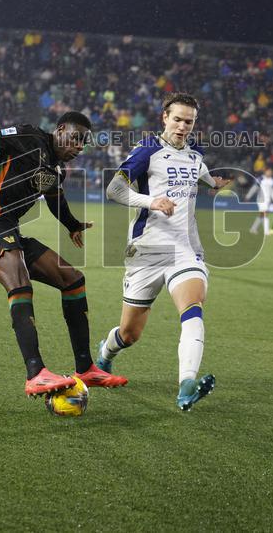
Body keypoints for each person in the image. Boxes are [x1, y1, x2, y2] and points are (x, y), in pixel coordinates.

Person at [0, 112, 127, 397]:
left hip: (9, 229)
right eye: (76, 138)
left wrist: (72, 225)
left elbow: (56, 201)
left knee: (72, 279)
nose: (80, 146)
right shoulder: (28, 137)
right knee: (19, 280)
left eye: (84, 143)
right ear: (59, 130)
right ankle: (36, 373)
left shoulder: (56, 170)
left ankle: (86, 369)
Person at [96, 93, 231, 411]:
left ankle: (186, 384)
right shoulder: (148, 150)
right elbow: (114, 189)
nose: (183, 126)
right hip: (146, 250)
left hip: (184, 249)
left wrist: (213, 182)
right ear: (165, 117)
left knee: (192, 307)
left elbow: (200, 172)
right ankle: (105, 353)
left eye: (190, 121)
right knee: (129, 334)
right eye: (178, 119)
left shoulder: (195, 153)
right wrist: (150, 201)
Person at [247, 168, 273, 235]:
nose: (269, 173)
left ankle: (253, 229)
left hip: (268, 200)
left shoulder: (272, 181)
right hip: (261, 199)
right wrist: (248, 196)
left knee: (261, 215)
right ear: (265, 172)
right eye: (268, 172)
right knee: (265, 214)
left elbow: (272, 190)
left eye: (271, 172)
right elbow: (254, 188)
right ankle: (266, 231)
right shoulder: (260, 179)